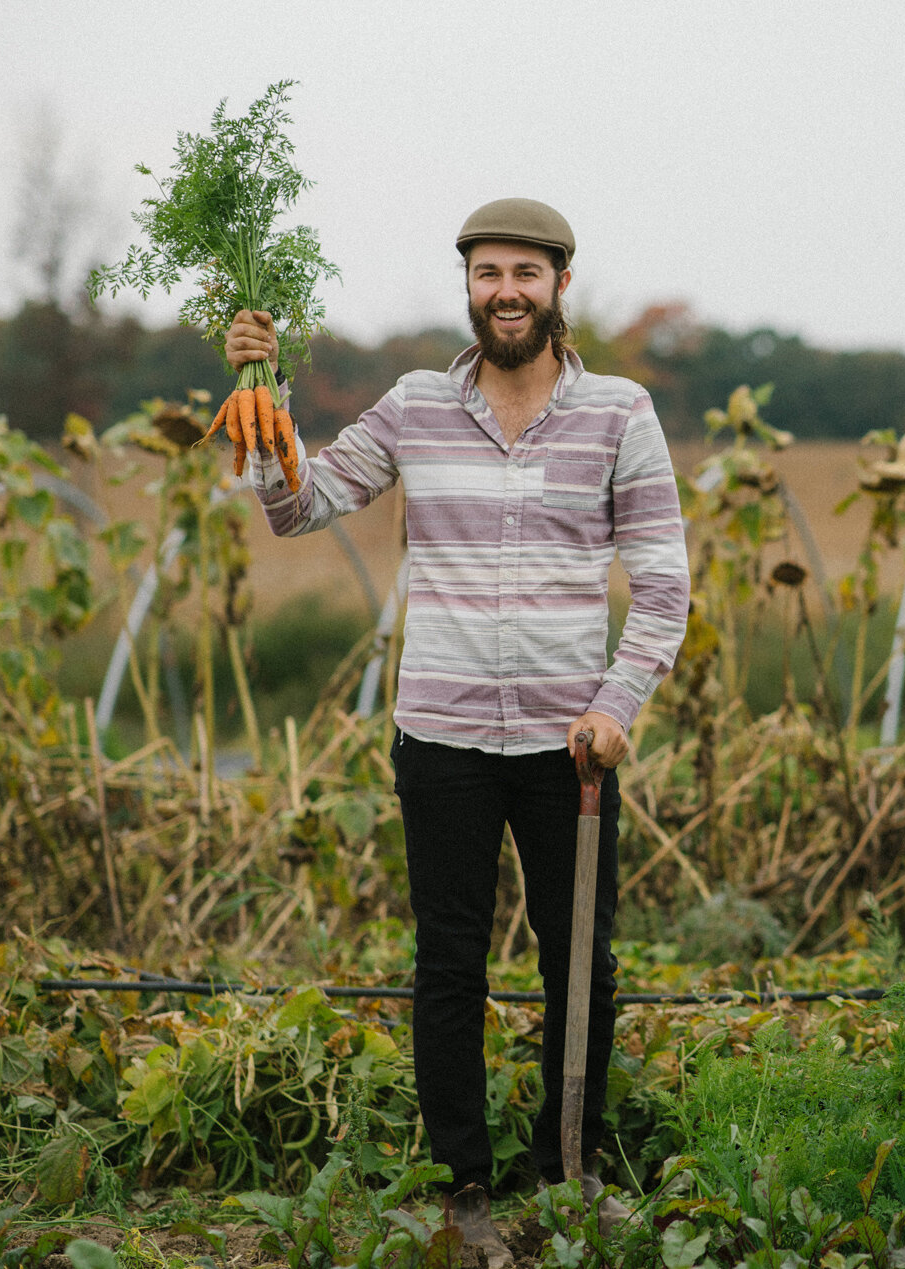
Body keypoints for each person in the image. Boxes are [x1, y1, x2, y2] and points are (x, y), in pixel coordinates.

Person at [224, 198, 690, 1260]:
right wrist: (260, 396)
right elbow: (299, 508)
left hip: (570, 744)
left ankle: (568, 1172)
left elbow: (664, 585)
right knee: (450, 964)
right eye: (487, 274)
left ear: (560, 285)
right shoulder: (413, 409)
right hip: (439, 738)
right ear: (469, 288)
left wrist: (617, 706)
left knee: (584, 964)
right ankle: (463, 1186)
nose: (506, 292)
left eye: (525, 272)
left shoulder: (620, 413)